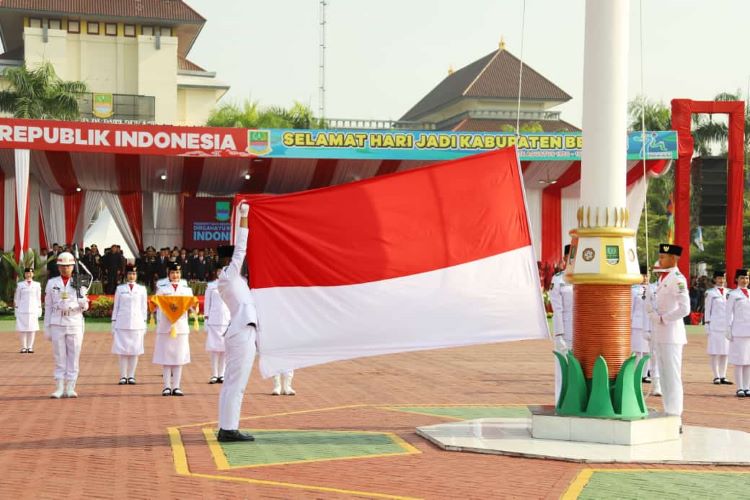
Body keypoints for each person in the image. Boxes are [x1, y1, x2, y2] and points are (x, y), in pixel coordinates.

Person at [215, 203, 259, 442]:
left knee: (235, 382)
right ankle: (229, 429)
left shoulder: (237, 280)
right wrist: (244, 217)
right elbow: (241, 249)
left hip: (245, 332)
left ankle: (227, 426)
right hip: (241, 332)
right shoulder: (228, 277)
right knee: (236, 383)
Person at [647, 243, 690, 421]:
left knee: (672, 375)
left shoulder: (677, 279)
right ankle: (668, 410)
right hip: (660, 333)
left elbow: (685, 309)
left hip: (672, 334)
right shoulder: (661, 278)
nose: (660, 259)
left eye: (663, 257)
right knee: (663, 375)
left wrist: (664, 318)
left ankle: (675, 414)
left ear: (673, 258)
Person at [44, 252, 89, 398]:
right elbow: (48, 306)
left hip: (74, 321)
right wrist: (47, 327)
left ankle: (70, 387)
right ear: (58, 267)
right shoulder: (52, 283)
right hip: (57, 322)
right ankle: (59, 387)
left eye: (68, 266)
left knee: (74, 355)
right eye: (62, 266)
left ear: (73, 266)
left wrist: (83, 302)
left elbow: (85, 306)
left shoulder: (79, 281)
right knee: (59, 356)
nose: (65, 269)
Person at [152, 263, 195, 396]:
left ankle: (176, 386)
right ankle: (166, 386)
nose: (175, 275)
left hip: (181, 327)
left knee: (178, 357)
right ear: (168, 274)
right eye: (172, 273)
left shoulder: (187, 290)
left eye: (177, 273)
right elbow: (156, 305)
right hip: (166, 326)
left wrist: (193, 308)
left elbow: (192, 307)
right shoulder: (162, 289)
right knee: (166, 357)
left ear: (180, 274)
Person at [111, 265, 148, 385]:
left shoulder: (142, 289)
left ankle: (131, 375)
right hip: (122, 322)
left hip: (137, 323)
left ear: (136, 276)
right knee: (122, 351)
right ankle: (123, 376)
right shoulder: (120, 289)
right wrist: (113, 322)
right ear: (126, 275)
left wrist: (144, 322)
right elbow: (116, 306)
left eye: (134, 274)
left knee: (135, 350)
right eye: (129, 274)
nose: (132, 276)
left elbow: (144, 308)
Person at [549, 244, 573, 403]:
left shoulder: (585, 278)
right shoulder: (559, 280)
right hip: (565, 331)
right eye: (571, 256)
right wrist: (558, 334)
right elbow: (557, 309)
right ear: (565, 258)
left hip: (582, 331)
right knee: (562, 368)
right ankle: (560, 401)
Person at [705, 270, 732, 385]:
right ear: (715, 279)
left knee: (725, 352)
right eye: (719, 278)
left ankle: (723, 376)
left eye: (723, 278)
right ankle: (716, 376)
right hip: (715, 325)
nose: (722, 280)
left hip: (727, 325)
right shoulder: (710, 293)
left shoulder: (730, 292)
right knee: (715, 351)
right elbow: (707, 309)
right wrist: (707, 323)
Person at [726, 269, 750, 397]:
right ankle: (740, 387)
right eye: (742, 278)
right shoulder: (733, 294)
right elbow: (728, 313)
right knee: (739, 360)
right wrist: (728, 329)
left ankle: (747, 387)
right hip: (739, 331)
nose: (744, 280)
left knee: (748, 361)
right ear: (737, 279)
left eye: (746, 278)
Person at [204, 269, 229, 384]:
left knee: (224, 349)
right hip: (214, 319)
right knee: (214, 349)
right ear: (218, 273)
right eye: (220, 272)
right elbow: (207, 303)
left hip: (227, 319)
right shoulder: (211, 286)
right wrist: (206, 318)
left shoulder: (230, 285)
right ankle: (214, 374)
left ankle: (222, 374)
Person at [14, 267, 42, 354]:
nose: (29, 274)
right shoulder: (20, 285)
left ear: (33, 274)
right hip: (22, 309)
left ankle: (30, 347)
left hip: (33, 309)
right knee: (22, 329)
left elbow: (38, 297)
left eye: (30, 273)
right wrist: (16, 308)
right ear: (25, 274)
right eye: (27, 273)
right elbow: (17, 298)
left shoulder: (37, 285)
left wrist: (39, 307)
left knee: (32, 329)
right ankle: (23, 347)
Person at [631, 265, 650, 382]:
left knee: (647, 350)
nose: (645, 278)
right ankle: (636, 373)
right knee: (638, 350)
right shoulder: (633, 290)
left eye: (647, 275)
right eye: (643, 275)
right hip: (637, 323)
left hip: (649, 323)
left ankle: (645, 374)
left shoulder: (653, 289)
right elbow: (630, 308)